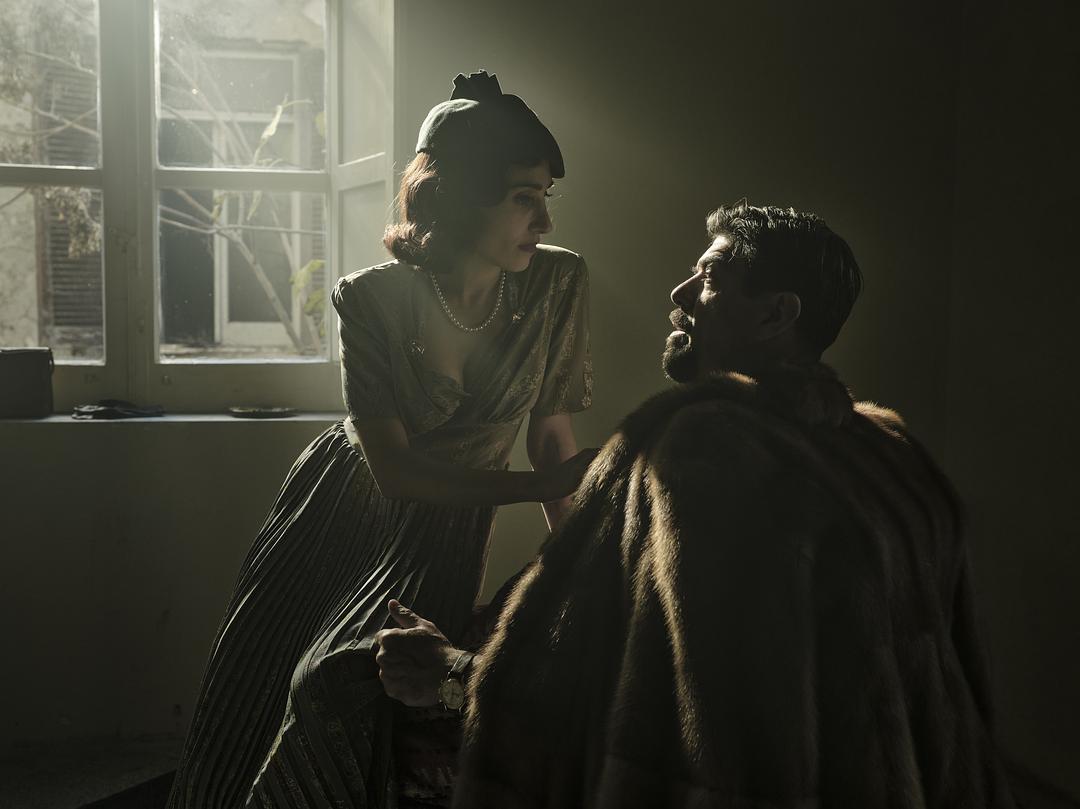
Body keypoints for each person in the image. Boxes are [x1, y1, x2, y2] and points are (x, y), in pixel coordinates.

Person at [377, 202, 1018, 808]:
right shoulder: (894, 457)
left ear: (776, 314)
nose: (679, 295)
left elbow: (644, 705)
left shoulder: (704, 452)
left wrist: (452, 674)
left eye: (709, 278)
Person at [166, 71, 596, 809]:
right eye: (524, 199)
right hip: (345, 508)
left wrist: (586, 570)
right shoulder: (369, 298)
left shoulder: (557, 285)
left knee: (344, 686)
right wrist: (536, 487)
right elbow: (394, 470)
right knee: (263, 682)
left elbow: (554, 443)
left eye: (546, 197)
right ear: (458, 198)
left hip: (445, 528)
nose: (545, 221)